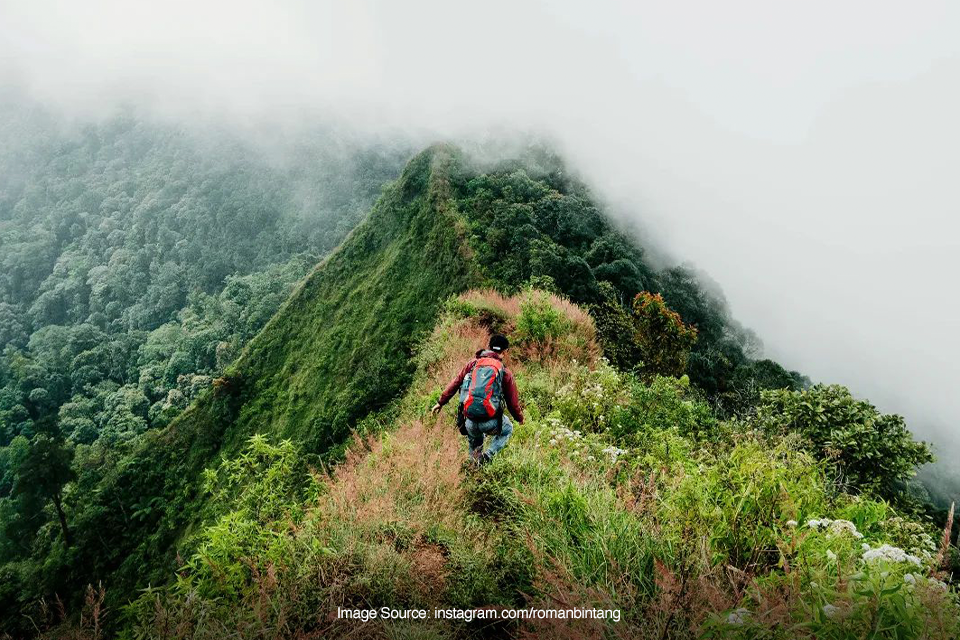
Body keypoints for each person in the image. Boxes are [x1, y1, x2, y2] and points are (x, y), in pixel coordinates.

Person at [432, 334, 524, 465]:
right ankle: (488, 456)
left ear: (489, 347)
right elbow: (512, 403)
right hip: (490, 422)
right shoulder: (504, 372)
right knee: (508, 428)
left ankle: (474, 470)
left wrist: (440, 402)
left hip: (470, 421)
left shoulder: (473, 364)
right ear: (505, 352)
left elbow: (455, 383)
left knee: (475, 449)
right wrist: (519, 418)